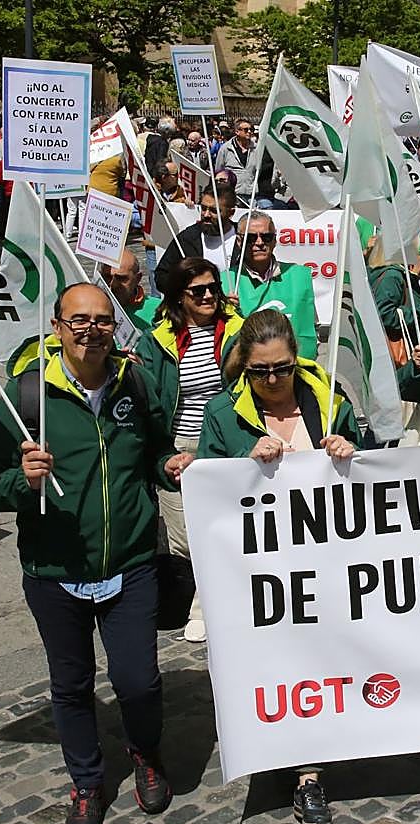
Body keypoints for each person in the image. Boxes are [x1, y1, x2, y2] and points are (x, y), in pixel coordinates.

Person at [0, 284, 191, 824]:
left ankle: (145, 753)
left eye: (101, 320)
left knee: (138, 681)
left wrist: (170, 464)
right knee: (71, 685)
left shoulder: (135, 384)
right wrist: (23, 483)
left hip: (132, 563)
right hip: (55, 573)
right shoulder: (27, 397)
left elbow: (153, 452)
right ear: (57, 326)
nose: (91, 329)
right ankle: (87, 782)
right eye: (79, 320)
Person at [196, 308, 357, 824]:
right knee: (286, 668)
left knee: (326, 664)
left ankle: (338, 744)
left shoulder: (328, 401)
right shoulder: (224, 415)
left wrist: (348, 449)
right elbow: (208, 489)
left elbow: (375, 470)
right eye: (258, 371)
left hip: (329, 565)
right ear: (244, 367)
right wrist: (246, 458)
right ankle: (305, 775)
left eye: (281, 369)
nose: (270, 380)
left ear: (296, 360)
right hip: (262, 574)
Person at [136, 257, 243, 643]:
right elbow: (149, 402)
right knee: (187, 539)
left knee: (230, 529)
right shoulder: (156, 341)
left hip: (226, 444)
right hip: (180, 447)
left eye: (213, 287)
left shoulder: (237, 331)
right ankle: (208, 600)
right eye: (198, 291)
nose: (209, 296)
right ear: (179, 297)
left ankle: (207, 609)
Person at [222, 211, 318, 360]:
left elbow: (311, 327)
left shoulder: (299, 276)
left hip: (296, 369)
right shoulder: (226, 281)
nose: (259, 243)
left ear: (275, 241)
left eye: (266, 237)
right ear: (239, 241)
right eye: (251, 238)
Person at [154, 183, 239, 293]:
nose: (206, 215)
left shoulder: (246, 238)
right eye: (203, 208)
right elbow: (161, 276)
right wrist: (185, 290)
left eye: (214, 211)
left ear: (231, 212)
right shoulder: (187, 238)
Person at [102, 249, 160, 332]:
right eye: (107, 277)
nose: (113, 284)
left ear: (137, 278)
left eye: (121, 278)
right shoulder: (90, 310)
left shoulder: (158, 309)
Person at [215, 119, 259, 199]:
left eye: (251, 129)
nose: (249, 132)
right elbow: (219, 171)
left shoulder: (257, 148)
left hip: (251, 195)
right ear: (237, 131)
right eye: (246, 130)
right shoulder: (226, 148)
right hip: (232, 195)